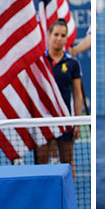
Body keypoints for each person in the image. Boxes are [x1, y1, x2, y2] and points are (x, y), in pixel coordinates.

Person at [34, 20, 83, 179]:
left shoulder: (72, 64)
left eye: (63, 35)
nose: (59, 39)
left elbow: (77, 94)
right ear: (49, 36)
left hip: (64, 119)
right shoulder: (39, 62)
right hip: (42, 119)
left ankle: (69, 200)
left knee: (67, 161)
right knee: (41, 160)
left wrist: (76, 121)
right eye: (56, 35)